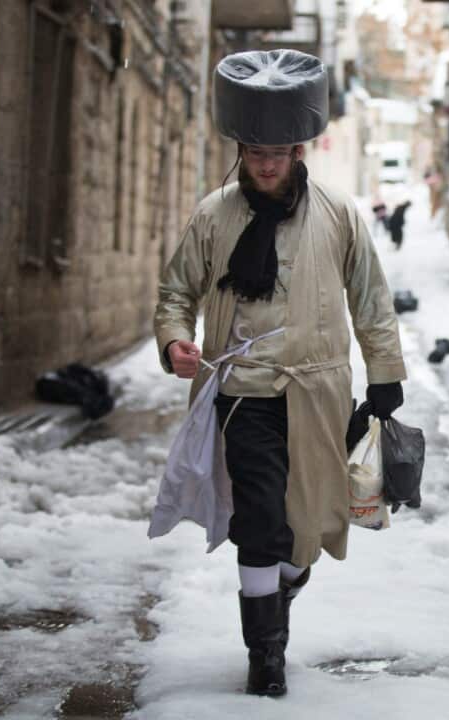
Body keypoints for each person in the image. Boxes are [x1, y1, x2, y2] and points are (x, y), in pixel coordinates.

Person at [149, 49, 407, 698]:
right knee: (259, 521)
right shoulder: (214, 215)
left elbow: (371, 298)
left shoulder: (340, 214)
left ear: (302, 149)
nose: (266, 163)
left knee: (308, 528)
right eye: (254, 151)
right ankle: (265, 654)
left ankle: (280, 594)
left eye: (280, 151)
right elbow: (177, 292)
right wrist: (176, 340)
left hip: (318, 395)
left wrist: (384, 375)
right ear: (240, 148)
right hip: (244, 395)